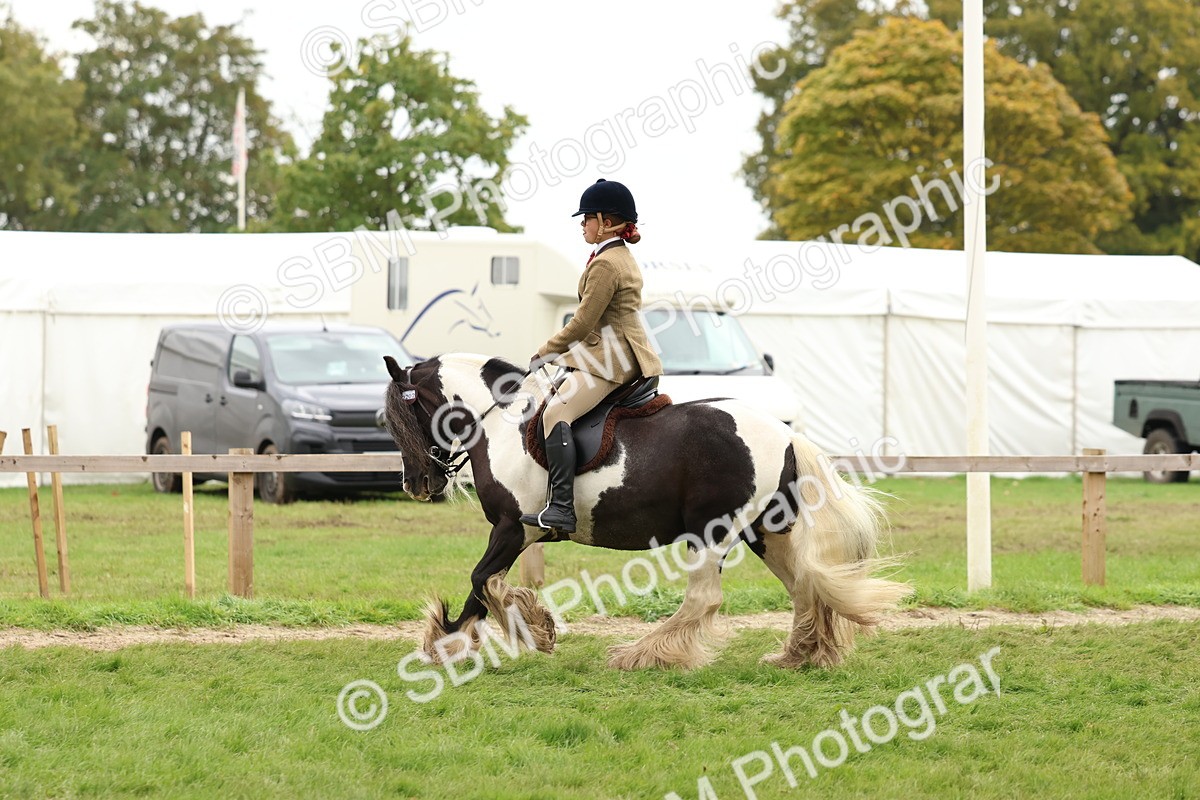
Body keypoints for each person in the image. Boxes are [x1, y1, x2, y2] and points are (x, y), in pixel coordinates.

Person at [519, 178, 664, 533]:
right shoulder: (619, 257)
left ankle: (562, 509)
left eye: (587, 218)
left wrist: (544, 352)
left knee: (556, 412)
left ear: (606, 222)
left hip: (612, 360)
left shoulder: (606, 264)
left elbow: (583, 323)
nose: (582, 224)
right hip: (619, 353)